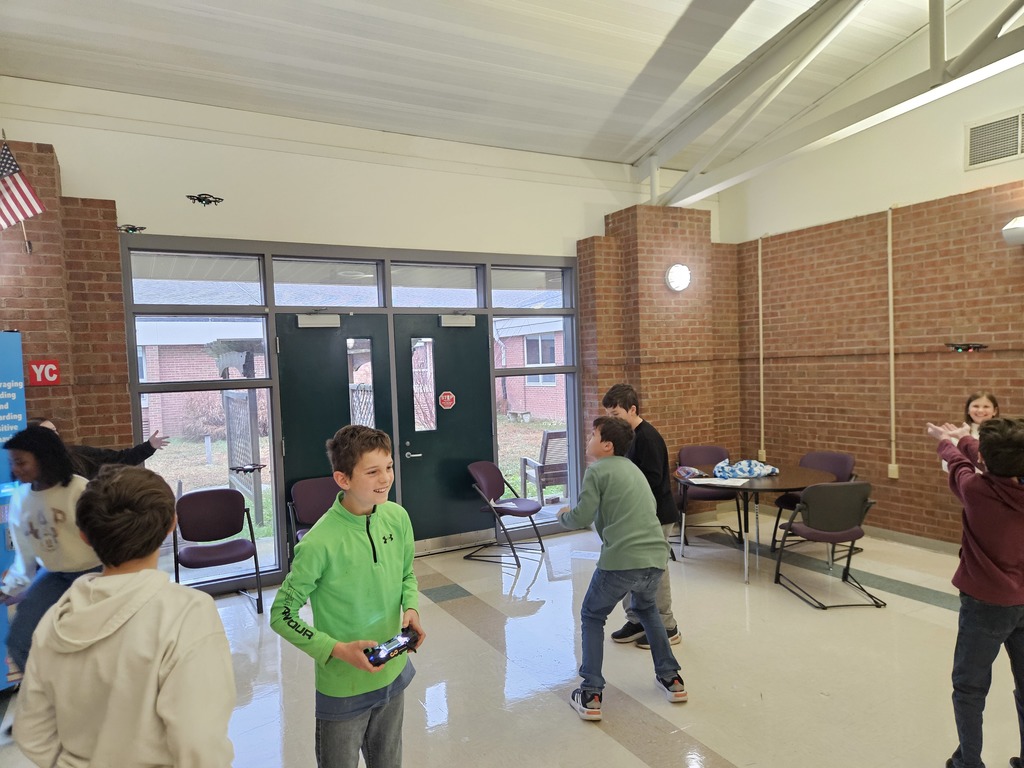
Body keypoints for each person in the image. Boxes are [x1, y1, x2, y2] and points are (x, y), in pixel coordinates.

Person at [13, 465, 235, 767]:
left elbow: (31, 732)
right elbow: (199, 743)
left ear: (84, 535)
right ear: (172, 524)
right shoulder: (188, 613)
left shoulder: (55, 619)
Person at [269, 424, 424, 768]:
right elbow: (282, 614)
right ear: (343, 479)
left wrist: (411, 608)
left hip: (393, 671)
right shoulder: (319, 542)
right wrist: (337, 650)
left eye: (389, 467)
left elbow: (406, 574)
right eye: (372, 472)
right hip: (343, 689)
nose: (385, 478)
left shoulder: (397, 518)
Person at [558, 415, 687, 721]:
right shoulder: (633, 469)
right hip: (655, 558)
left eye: (593, 434)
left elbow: (581, 516)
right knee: (647, 609)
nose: (588, 439)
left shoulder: (597, 471)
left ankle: (590, 693)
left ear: (607, 445)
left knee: (592, 615)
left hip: (622, 561)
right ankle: (672, 679)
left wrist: (563, 515)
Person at [926, 417, 1024, 768]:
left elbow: (958, 464)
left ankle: (969, 763)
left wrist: (947, 441)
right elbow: (973, 458)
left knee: (969, 689)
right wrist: (967, 438)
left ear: (984, 458)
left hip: (985, 606)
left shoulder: (976, 491)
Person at [1, 426, 101, 674]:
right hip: (54, 575)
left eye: (21, 462)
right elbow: (25, 559)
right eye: (13, 463)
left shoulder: (78, 489)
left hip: (96, 573)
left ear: (44, 458)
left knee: (88, 643)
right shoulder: (20, 499)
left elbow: (107, 537)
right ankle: (47, 691)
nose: (15, 469)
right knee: (20, 641)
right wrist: (7, 588)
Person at [601, 383, 680, 649]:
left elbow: (652, 480)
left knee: (656, 570)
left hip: (657, 515)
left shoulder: (647, 438)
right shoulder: (626, 438)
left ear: (632, 410)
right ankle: (637, 620)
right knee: (630, 567)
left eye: (616, 415)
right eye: (608, 416)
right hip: (635, 515)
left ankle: (667, 626)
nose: (612, 421)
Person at [28, 417, 169, 480]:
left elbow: (117, 459)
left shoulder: (77, 454)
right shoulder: (31, 470)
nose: (54, 435)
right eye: (47, 432)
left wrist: (148, 447)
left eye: (55, 430)